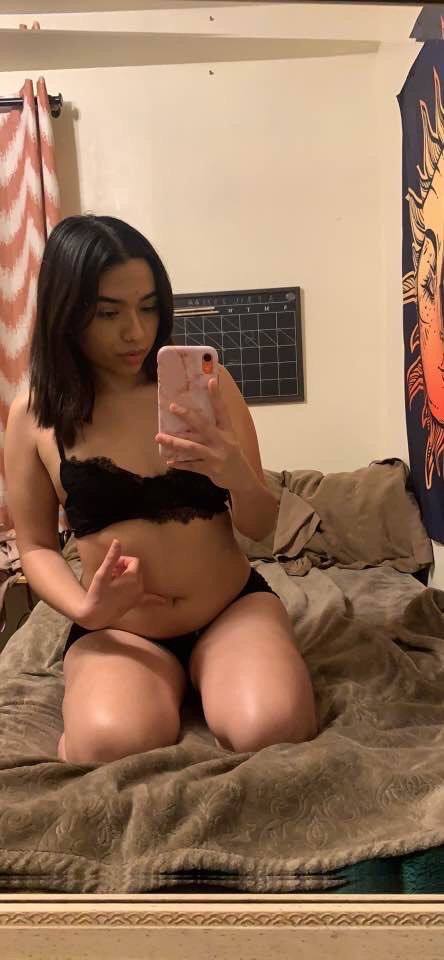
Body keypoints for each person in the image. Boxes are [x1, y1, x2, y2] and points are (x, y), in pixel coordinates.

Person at [5, 215, 317, 764]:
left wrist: (235, 474)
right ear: (65, 311)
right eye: (108, 313)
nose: (136, 332)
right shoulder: (34, 414)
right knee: (109, 745)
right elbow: (34, 546)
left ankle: (217, 678)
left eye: (148, 307)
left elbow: (262, 525)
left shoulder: (207, 386)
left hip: (229, 609)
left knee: (274, 728)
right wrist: (85, 608)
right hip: (120, 629)